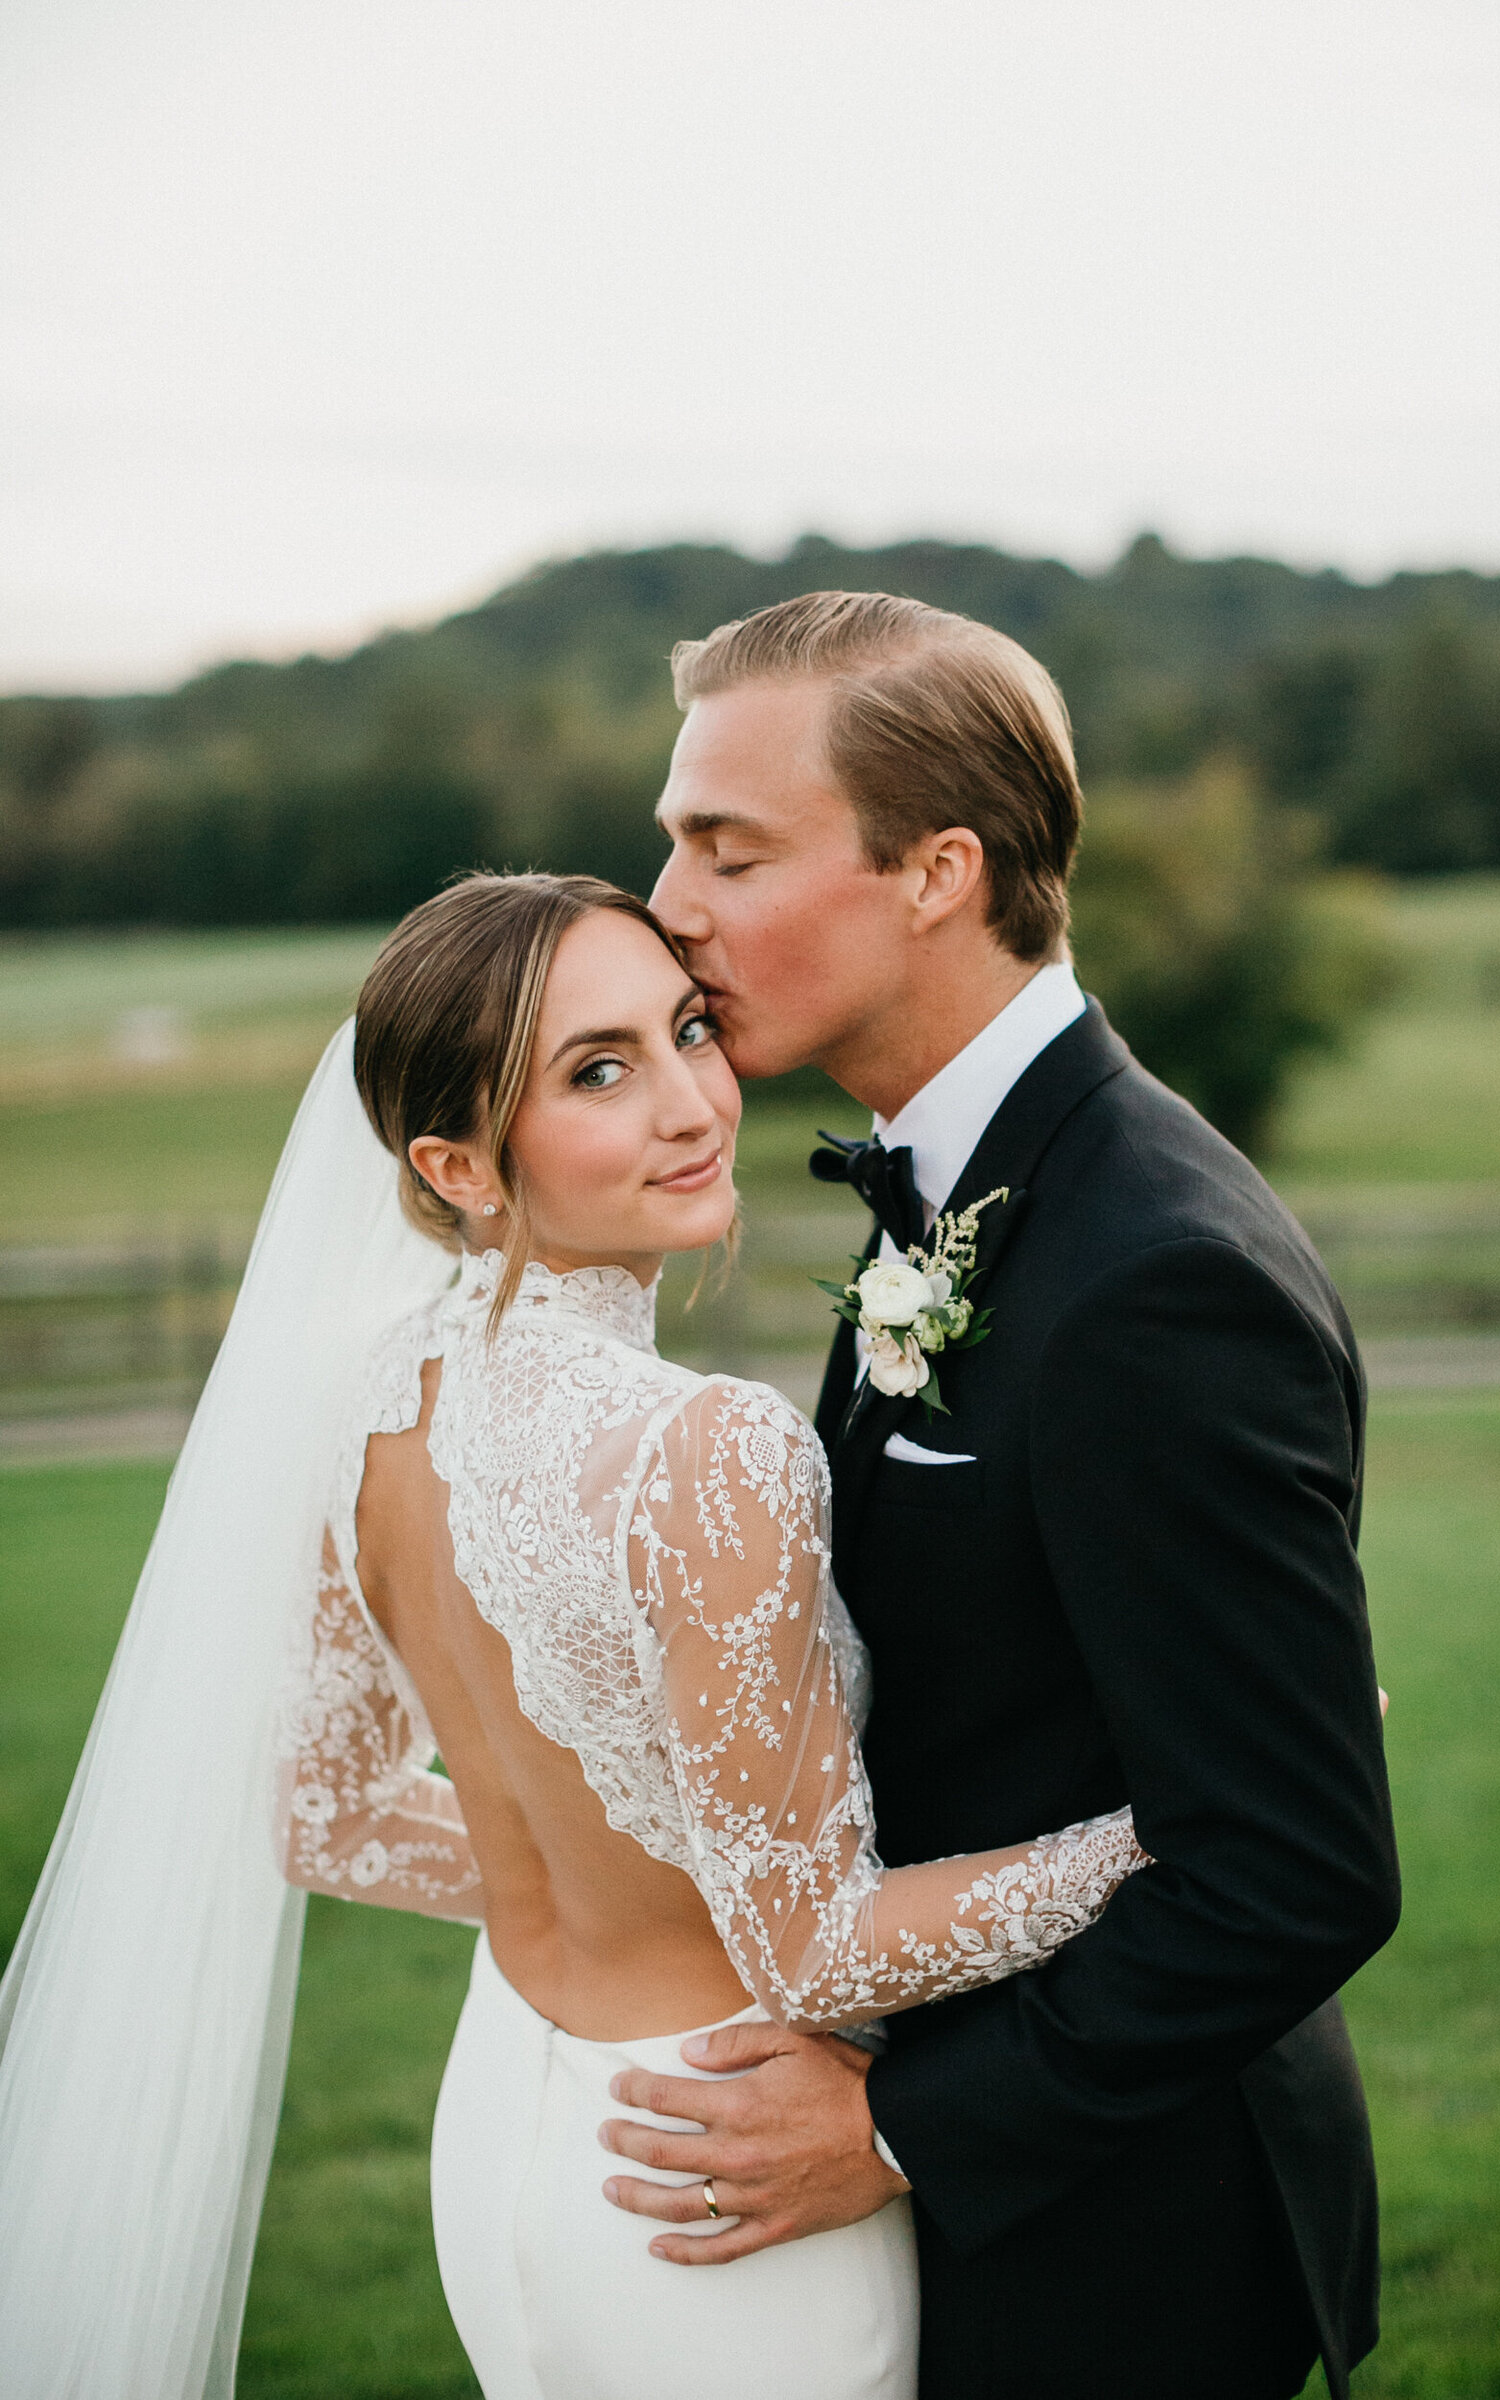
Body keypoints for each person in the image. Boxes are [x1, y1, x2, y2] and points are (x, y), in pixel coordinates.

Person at [0, 868, 1149, 2400]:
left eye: (688, 1031)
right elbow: (809, 1950)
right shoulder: (711, 1451)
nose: (692, 1104)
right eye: (599, 1072)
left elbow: (326, 1819)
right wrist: (1155, 1835)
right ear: (456, 1163)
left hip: (509, 2137)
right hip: (717, 2178)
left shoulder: (367, 1403)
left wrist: (617, 1864)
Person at [607, 590, 1404, 2400]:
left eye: (727, 848)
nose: (669, 907)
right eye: (673, 844)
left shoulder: (1155, 1279)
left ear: (936, 870)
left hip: (1126, 2238)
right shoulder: (951, 1189)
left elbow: (1292, 1869)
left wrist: (899, 2130)